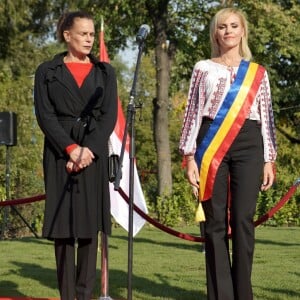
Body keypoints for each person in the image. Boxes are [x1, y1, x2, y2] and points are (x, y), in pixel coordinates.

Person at [179, 7, 277, 300]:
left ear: (243, 31)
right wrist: (188, 156)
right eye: (222, 27)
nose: (228, 31)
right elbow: (192, 113)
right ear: (215, 33)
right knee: (215, 222)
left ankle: (243, 293)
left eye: (234, 26)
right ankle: (221, 295)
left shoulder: (258, 73)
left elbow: (267, 116)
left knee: (244, 219)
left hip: (250, 142)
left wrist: (268, 158)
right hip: (211, 141)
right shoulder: (203, 68)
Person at [34, 11, 118, 300]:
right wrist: (70, 149)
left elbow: (108, 117)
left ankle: (84, 294)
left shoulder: (106, 72)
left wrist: (88, 151)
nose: (89, 39)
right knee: (63, 228)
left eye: (92, 34)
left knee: (87, 226)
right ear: (67, 35)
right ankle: (67, 296)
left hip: (92, 154)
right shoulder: (47, 71)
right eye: (83, 33)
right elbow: (45, 116)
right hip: (60, 154)